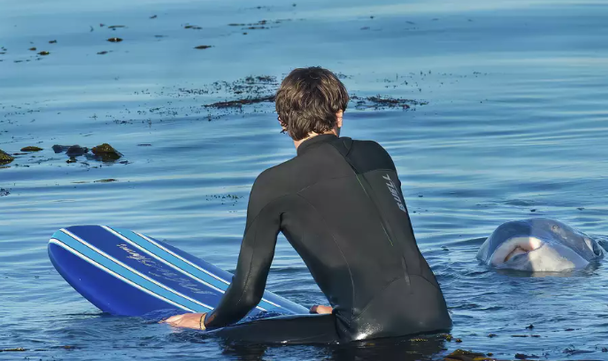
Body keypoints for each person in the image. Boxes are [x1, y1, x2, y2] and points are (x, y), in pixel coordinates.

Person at [164, 67, 452, 343]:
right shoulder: (378, 155)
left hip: (368, 332)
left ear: (282, 121)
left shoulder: (273, 184)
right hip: (436, 317)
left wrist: (206, 321)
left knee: (221, 339)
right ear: (339, 115)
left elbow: (247, 294)